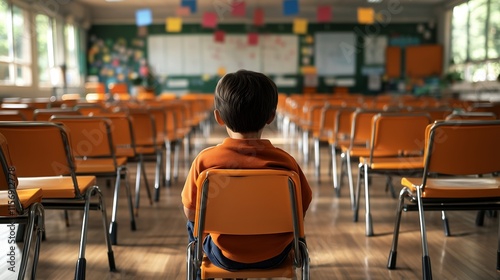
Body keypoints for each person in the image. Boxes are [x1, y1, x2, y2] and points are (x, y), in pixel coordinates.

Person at [181, 69, 313, 277]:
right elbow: (300, 212)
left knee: (193, 222)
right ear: (271, 116)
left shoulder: (205, 162)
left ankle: (197, 271)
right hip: (275, 255)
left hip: (224, 254)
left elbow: (191, 213)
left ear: (218, 117)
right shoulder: (286, 163)